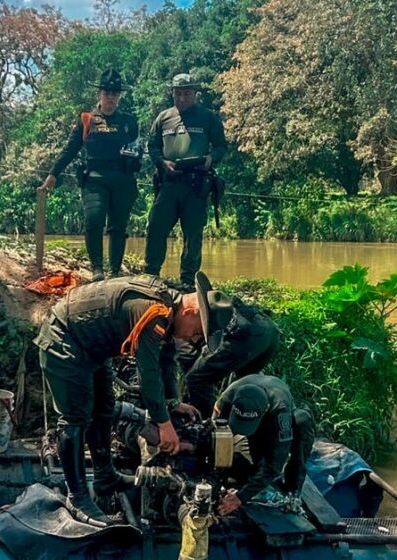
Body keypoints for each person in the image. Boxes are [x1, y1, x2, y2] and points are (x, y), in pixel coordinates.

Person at [34, 274, 203, 526]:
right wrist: (163, 424)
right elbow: (148, 373)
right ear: (190, 310)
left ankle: (104, 475)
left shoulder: (169, 312)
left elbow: (166, 360)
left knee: (104, 408)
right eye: (197, 332)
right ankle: (78, 496)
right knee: (75, 419)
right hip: (65, 339)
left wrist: (172, 402)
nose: (193, 339)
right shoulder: (154, 312)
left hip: (92, 348)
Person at [41, 69, 141, 281]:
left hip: (122, 180)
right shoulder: (86, 119)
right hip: (94, 179)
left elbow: (137, 148)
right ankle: (97, 269)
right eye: (107, 92)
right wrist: (53, 174)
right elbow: (70, 149)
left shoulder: (128, 121)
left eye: (115, 93)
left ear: (119, 95)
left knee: (118, 226)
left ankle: (114, 272)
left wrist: (136, 158)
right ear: (99, 94)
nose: (110, 97)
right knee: (94, 220)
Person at [144, 73, 227, 288]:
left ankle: (188, 280)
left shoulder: (208, 117)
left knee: (193, 233)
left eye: (186, 93)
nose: (182, 98)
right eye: (178, 93)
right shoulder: (164, 117)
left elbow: (221, 147)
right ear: (172, 93)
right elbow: (152, 146)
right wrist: (162, 163)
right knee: (155, 227)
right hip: (169, 182)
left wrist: (211, 158)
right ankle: (151, 274)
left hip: (196, 184)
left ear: (195, 94)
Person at [213, 374, 315, 516]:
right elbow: (213, 431)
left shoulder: (281, 411)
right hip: (252, 413)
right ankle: (251, 476)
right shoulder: (228, 396)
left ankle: (293, 491)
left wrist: (240, 498)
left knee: (301, 422)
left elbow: (274, 464)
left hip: (273, 420)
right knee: (244, 459)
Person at [184, 271, 280, 418]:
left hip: (246, 335)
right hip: (267, 327)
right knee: (244, 383)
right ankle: (242, 426)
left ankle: (204, 428)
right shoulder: (213, 305)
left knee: (196, 379)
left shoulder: (186, 318)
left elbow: (196, 366)